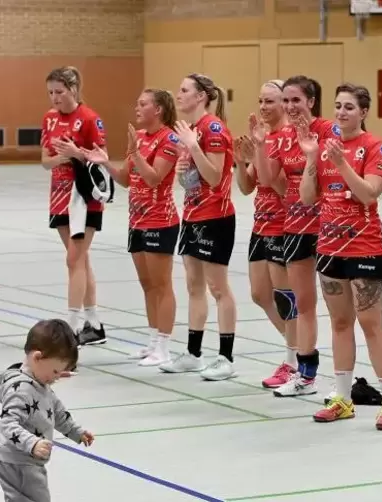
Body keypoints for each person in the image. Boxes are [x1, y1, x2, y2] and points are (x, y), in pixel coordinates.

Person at [297, 83, 382, 430]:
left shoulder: (374, 146)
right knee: (340, 324)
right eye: (338, 106)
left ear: (363, 112)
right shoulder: (325, 147)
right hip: (329, 249)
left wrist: (342, 164)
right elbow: (308, 198)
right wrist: (313, 158)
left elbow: (369, 193)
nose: (341, 113)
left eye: (349, 107)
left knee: (371, 325)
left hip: (366, 248)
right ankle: (343, 398)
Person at [250, 75, 338, 397]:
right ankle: (305, 376)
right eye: (285, 101)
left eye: (296, 100)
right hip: (296, 225)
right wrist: (259, 147)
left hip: (329, 226)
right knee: (304, 304)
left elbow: (337, 175)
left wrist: (312, 158)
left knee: (340, 309)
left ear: (311, 101)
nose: (290, 106)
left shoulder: (329, 131)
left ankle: (344, 381)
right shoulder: (284, 135)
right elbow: (268, 178)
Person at [83, 89, 181, 366]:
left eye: (143, 104)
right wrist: (106, 163)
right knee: (147, 285)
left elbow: (153, 179)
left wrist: (136, 153)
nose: (136, 108)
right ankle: (152, 343)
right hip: (137, 220)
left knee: (162, 285)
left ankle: (164, 345)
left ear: (158, 109)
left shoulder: (169, 139)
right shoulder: (141, 138)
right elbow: (126, 179)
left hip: (160, 220)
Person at [158, 73, 238, 381]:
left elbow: (216, 176)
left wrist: (193, 148)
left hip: (215, 218)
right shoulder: (191, 130)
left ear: (201, 96)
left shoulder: (212, 128)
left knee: (218, 288)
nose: (178, 95)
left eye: (184, 90)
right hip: (192, 216)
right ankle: (193, 354)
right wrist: (183, 170)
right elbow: (193, 181)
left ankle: (226, 358)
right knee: (193, 286)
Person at [234, 79, 299, 388]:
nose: (263, 107)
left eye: (270, 101)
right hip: (261, 225)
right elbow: (246, 187)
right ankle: (301, 349)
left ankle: (294, 360)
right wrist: (242, 158)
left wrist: (260, 152)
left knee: (285, 296)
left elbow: (283, 186)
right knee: (260, 294)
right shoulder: (266, 137)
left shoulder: (288, 139)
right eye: (261, 101)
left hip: (284, 226)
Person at [40, 66, 107, 346]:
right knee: (81, 259)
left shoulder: (90, 118)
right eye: (51, 93)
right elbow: (45, 160)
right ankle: (94, 325)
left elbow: (101, 157)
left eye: (59, 92)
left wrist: (76, 153)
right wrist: (61, 157)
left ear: (73, 89)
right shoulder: (49, 119)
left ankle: (72, 326)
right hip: (59, 195)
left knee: (74, 259)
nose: (55, 98)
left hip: (84, 197)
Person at [0, 319, 94, 502]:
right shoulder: (21, 389)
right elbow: (7, 423)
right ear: (37, 358)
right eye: (55, 371)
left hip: (26, 459)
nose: (57, 377)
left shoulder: (40, 383)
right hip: (18, 460)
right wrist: (31, 443)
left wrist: (76, 432)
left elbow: (57, 412)